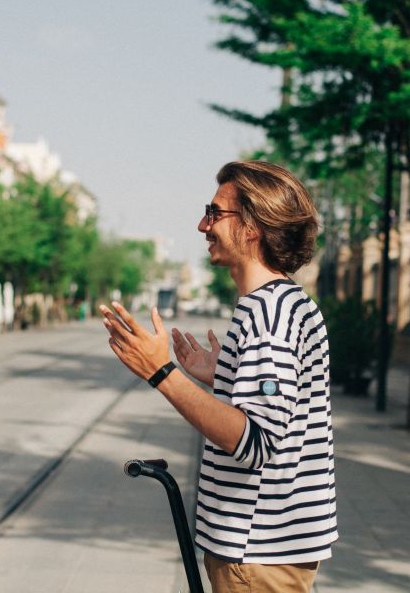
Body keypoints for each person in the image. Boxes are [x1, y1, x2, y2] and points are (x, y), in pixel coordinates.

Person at [100, 160, 337, 592]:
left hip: (257, 552)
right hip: (269, 548)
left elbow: (256, 443)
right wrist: (227, 376)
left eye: (214, 213)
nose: (201, 225)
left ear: (253, 227)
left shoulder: (269, 314)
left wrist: (162, 372)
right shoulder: (284, 303)